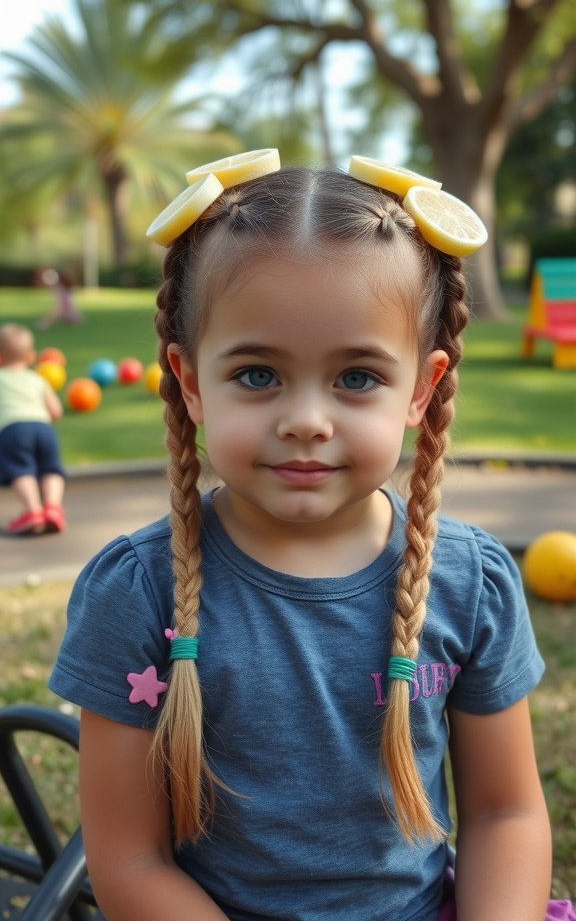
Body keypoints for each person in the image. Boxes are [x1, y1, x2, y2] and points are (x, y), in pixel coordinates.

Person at [49, 151, 570, 921]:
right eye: (257, 374)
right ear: (190, 381)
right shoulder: (136, 592)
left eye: (357, 376)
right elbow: (131, 858)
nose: (306, 420)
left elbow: (506, 815)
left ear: (421, 389)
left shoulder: (472, 583)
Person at [0, 323, 67, 533]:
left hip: (14, 430)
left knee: (21, 469)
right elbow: (56, 411)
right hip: (43, 429)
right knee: (51, 469)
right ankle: (53, 508)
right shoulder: (38, 379)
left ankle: (33, 510)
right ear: (30, 357)